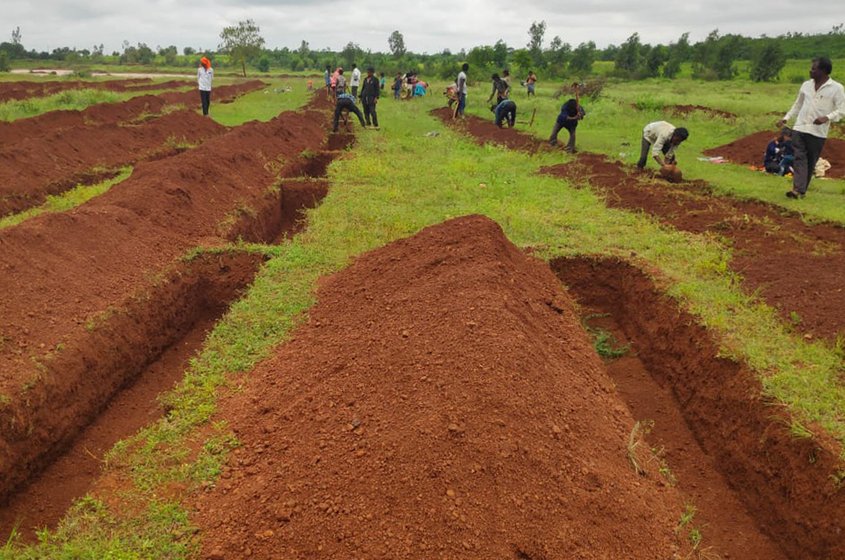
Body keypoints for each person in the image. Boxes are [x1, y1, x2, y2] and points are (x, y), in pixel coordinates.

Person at [778, 57, 845, 199]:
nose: (811, 70)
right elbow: (798, 104)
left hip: (818, 133)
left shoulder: (836, 88)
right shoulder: (806, 85)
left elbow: (842, 110)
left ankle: (800, 191)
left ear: (824, 71)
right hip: (800, 128)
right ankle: (797, 189)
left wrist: (826, 117)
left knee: (810, 161)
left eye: (814, 68)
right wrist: (786, 118)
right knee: (799, 157)